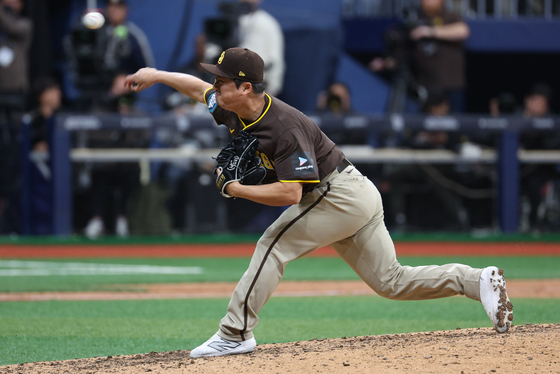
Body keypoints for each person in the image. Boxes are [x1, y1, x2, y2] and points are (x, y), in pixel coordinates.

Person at [125, 47, 514, 358]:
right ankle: (475, 280)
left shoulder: (284, 127)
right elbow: (197, 90)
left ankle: (234, 334)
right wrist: (156, 75)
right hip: (352, 193)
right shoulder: (231, 105)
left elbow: (291, 194)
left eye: (222, 80)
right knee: (391, 282)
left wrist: (235, 189)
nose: (215, 84)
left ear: (245, 87)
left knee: (272, 245)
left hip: (337, 195)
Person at [370, 0, 469, 113]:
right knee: (422, 124)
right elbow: (403, 48)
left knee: (457, 123)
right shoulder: (415, 18)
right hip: (424, 85)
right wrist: (385, 62)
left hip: (450, 84)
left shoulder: (451, 16)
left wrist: (430, 31)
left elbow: (463, 31)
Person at [205, 0, 285, 97]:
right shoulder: (229, 19)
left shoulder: (263, 23)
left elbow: (252, 64)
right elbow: (210, 54)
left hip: (257, 91)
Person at [104, 0, 155, 74]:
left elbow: (147, 67)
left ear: (125, 10)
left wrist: (128, 77)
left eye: (118, 6)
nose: (114, 10)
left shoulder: (133, 35)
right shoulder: (98, 32)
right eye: (111, 6)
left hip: (126, 82)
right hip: (99, 82)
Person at [0, 0, 32, 117]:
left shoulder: (25, 24)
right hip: (1, 84)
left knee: (15, 123)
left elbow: (11, 28)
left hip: (16, 86)